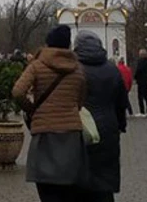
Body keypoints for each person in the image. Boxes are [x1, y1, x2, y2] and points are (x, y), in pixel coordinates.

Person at [12, 25, 87, 202]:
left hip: (44, 131)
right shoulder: (78, 69)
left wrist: (32, 109)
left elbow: (17, 92)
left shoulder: (37, 65)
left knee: (46, 187)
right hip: (71, 134)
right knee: (68, 187)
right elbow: (81, 100)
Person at [74, 31, 128, 202]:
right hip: (108, 128)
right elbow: (122, 101)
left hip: (81, 129)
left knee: (80, 176)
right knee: (105, 178)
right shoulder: (112, 69)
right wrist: (120, 124)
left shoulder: (74, 70)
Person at [133, 49, 147, 117]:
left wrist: (135, 77)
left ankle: (142, 112)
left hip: (141, 81)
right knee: (146, 96)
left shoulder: (140, 61)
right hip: (146, 80)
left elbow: (138, 70)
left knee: (140, 96)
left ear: (141, 55)